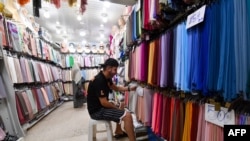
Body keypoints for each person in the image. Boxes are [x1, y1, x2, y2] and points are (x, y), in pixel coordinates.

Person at [87, 58, 136, 141]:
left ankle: (118, 131)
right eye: (115, 69)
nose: (116, 72)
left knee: (122, 104)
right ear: (109, 68)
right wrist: (116, 108)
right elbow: (104, 103)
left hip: (100, 106)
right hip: (96, 111)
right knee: (127, 116)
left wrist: (129, 88)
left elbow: (116, 88)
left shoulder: (106, 77)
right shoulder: (99, 80)